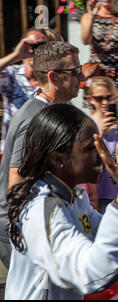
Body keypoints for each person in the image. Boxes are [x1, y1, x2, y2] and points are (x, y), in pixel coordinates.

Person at [4, 103, 118, 299]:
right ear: (57, 158)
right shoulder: (42, 209)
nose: (101, 157)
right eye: (90, 149)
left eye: (100, 146)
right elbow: (93, 273)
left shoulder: (75, 197)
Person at [0, 41, 84, 272]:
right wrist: (32, 235)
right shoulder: (35, 117)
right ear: (54, 78)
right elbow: (17, 181)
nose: (82, 76)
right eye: (75, 71)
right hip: (20, 228)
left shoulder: (47, 111)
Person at [80, 0, 118, 118]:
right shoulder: (88, 16)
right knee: (97, 114)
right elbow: (85, 40)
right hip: (97, 73)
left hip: (117, 72)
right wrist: (92, 16)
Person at [0, 28, 58, 152]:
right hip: (10, 152)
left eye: (41, 46)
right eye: (30, 45)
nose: (34, 51)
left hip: (42, 154)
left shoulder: (53, 79)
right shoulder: (11, 74)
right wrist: (16, 56)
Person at [84, 76, 118, 213]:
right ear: (91, 99)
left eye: (109, 97)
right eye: (99, 98)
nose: (105, 102)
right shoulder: (86, 123)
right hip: (95, 192)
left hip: (117, 191)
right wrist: (100, 132)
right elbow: (83, 154)